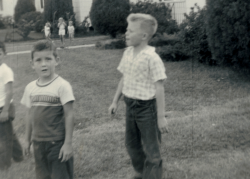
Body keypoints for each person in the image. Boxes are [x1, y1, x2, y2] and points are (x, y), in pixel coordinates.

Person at [108, 13, 168, 179]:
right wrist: (115, 101)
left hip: (147, 109)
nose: (126, 33)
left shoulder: (152, 58)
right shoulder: (127, 53)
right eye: (127, 30)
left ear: (143, 36)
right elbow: (123, 78)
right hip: (130, 106)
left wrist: (161, 117)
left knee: (151, 148)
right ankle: (141, 172)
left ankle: (153, 175)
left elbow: (159, 87)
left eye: (130, 31)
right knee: (131, 144)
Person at [21, 40, 75, 179]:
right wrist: (27, 140)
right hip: (38, 143)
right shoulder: (30, 88)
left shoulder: (62, 86)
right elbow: (28, 115)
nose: (43, 64)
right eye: (38, 60)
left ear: (56, 61)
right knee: (42, 175)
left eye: (48, 59)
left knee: (60, 175)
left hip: (57, 143)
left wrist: (67, 144)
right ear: (32, 64)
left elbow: (69, 115)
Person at [0, 41, 23, 170]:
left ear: (4, 54)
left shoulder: (5, 70)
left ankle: (4, 164)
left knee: (4, 138)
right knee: (8, 134)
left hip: (4, 107)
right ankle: (19, 155)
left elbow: (9, 92)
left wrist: (5, 111)